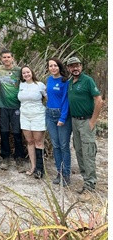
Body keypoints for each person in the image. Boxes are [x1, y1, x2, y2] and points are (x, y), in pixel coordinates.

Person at [66, 56, 103, 199]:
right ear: (68, 68)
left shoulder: (87, 80)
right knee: (79, 151)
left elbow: (99, 100)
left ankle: (90, 186)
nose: (75, 68)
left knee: (88, 152)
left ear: (81, 66)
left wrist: (92, 121)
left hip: (86, 121)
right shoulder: (70, 83)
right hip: (74, 122)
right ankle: (85, 181)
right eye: (72, 66)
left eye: (77, 65)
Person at [0, 49, 26, 171]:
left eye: (8, 57)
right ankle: (6, 157)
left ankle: (19, 158)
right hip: (3, 106)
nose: (6, 59)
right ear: (1, 59)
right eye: (4, 57)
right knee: (4, 132)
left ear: (12, 58)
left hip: (16, 106)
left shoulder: (19, 71)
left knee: (17, 133)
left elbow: (29, 79)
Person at [45, 57, 71, 186]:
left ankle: (66, 174)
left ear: (59, 67)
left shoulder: (65, 81)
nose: (53, 68)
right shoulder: (49, 80)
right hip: (49, 114)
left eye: (55, 65)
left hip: (61, 115)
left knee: (64, 146)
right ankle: (59, 173)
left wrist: (62, 118)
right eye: (50, 66)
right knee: (55, 145)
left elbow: (66, 100)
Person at [18, 66, 47, 178]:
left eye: (28, 72)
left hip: (38, 116)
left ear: (32, 72)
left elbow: (48, 98)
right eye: (24, 73)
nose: (26, 74)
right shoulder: (21, 85)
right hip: (24, 116)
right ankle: (33, 167)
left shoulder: (40, 85)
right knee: (29, 141)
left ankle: (40, 169)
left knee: (38, 142)